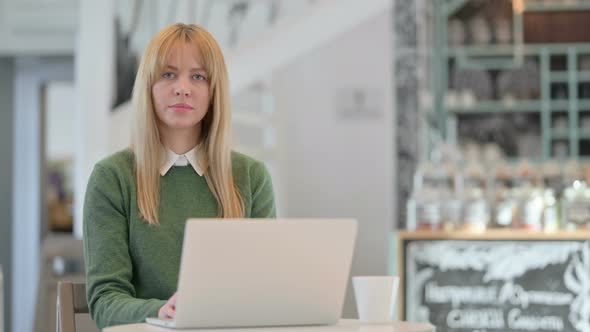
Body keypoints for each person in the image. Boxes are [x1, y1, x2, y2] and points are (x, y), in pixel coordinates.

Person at [83, 23, 276, 329]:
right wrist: (164, 311)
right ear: (148, 85)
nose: (183, 88)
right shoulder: (112, 178)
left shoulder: (251, 177)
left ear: (214, 92)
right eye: (168, 74)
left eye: (198, 76)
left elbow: (267, 289)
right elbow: (105, 300)